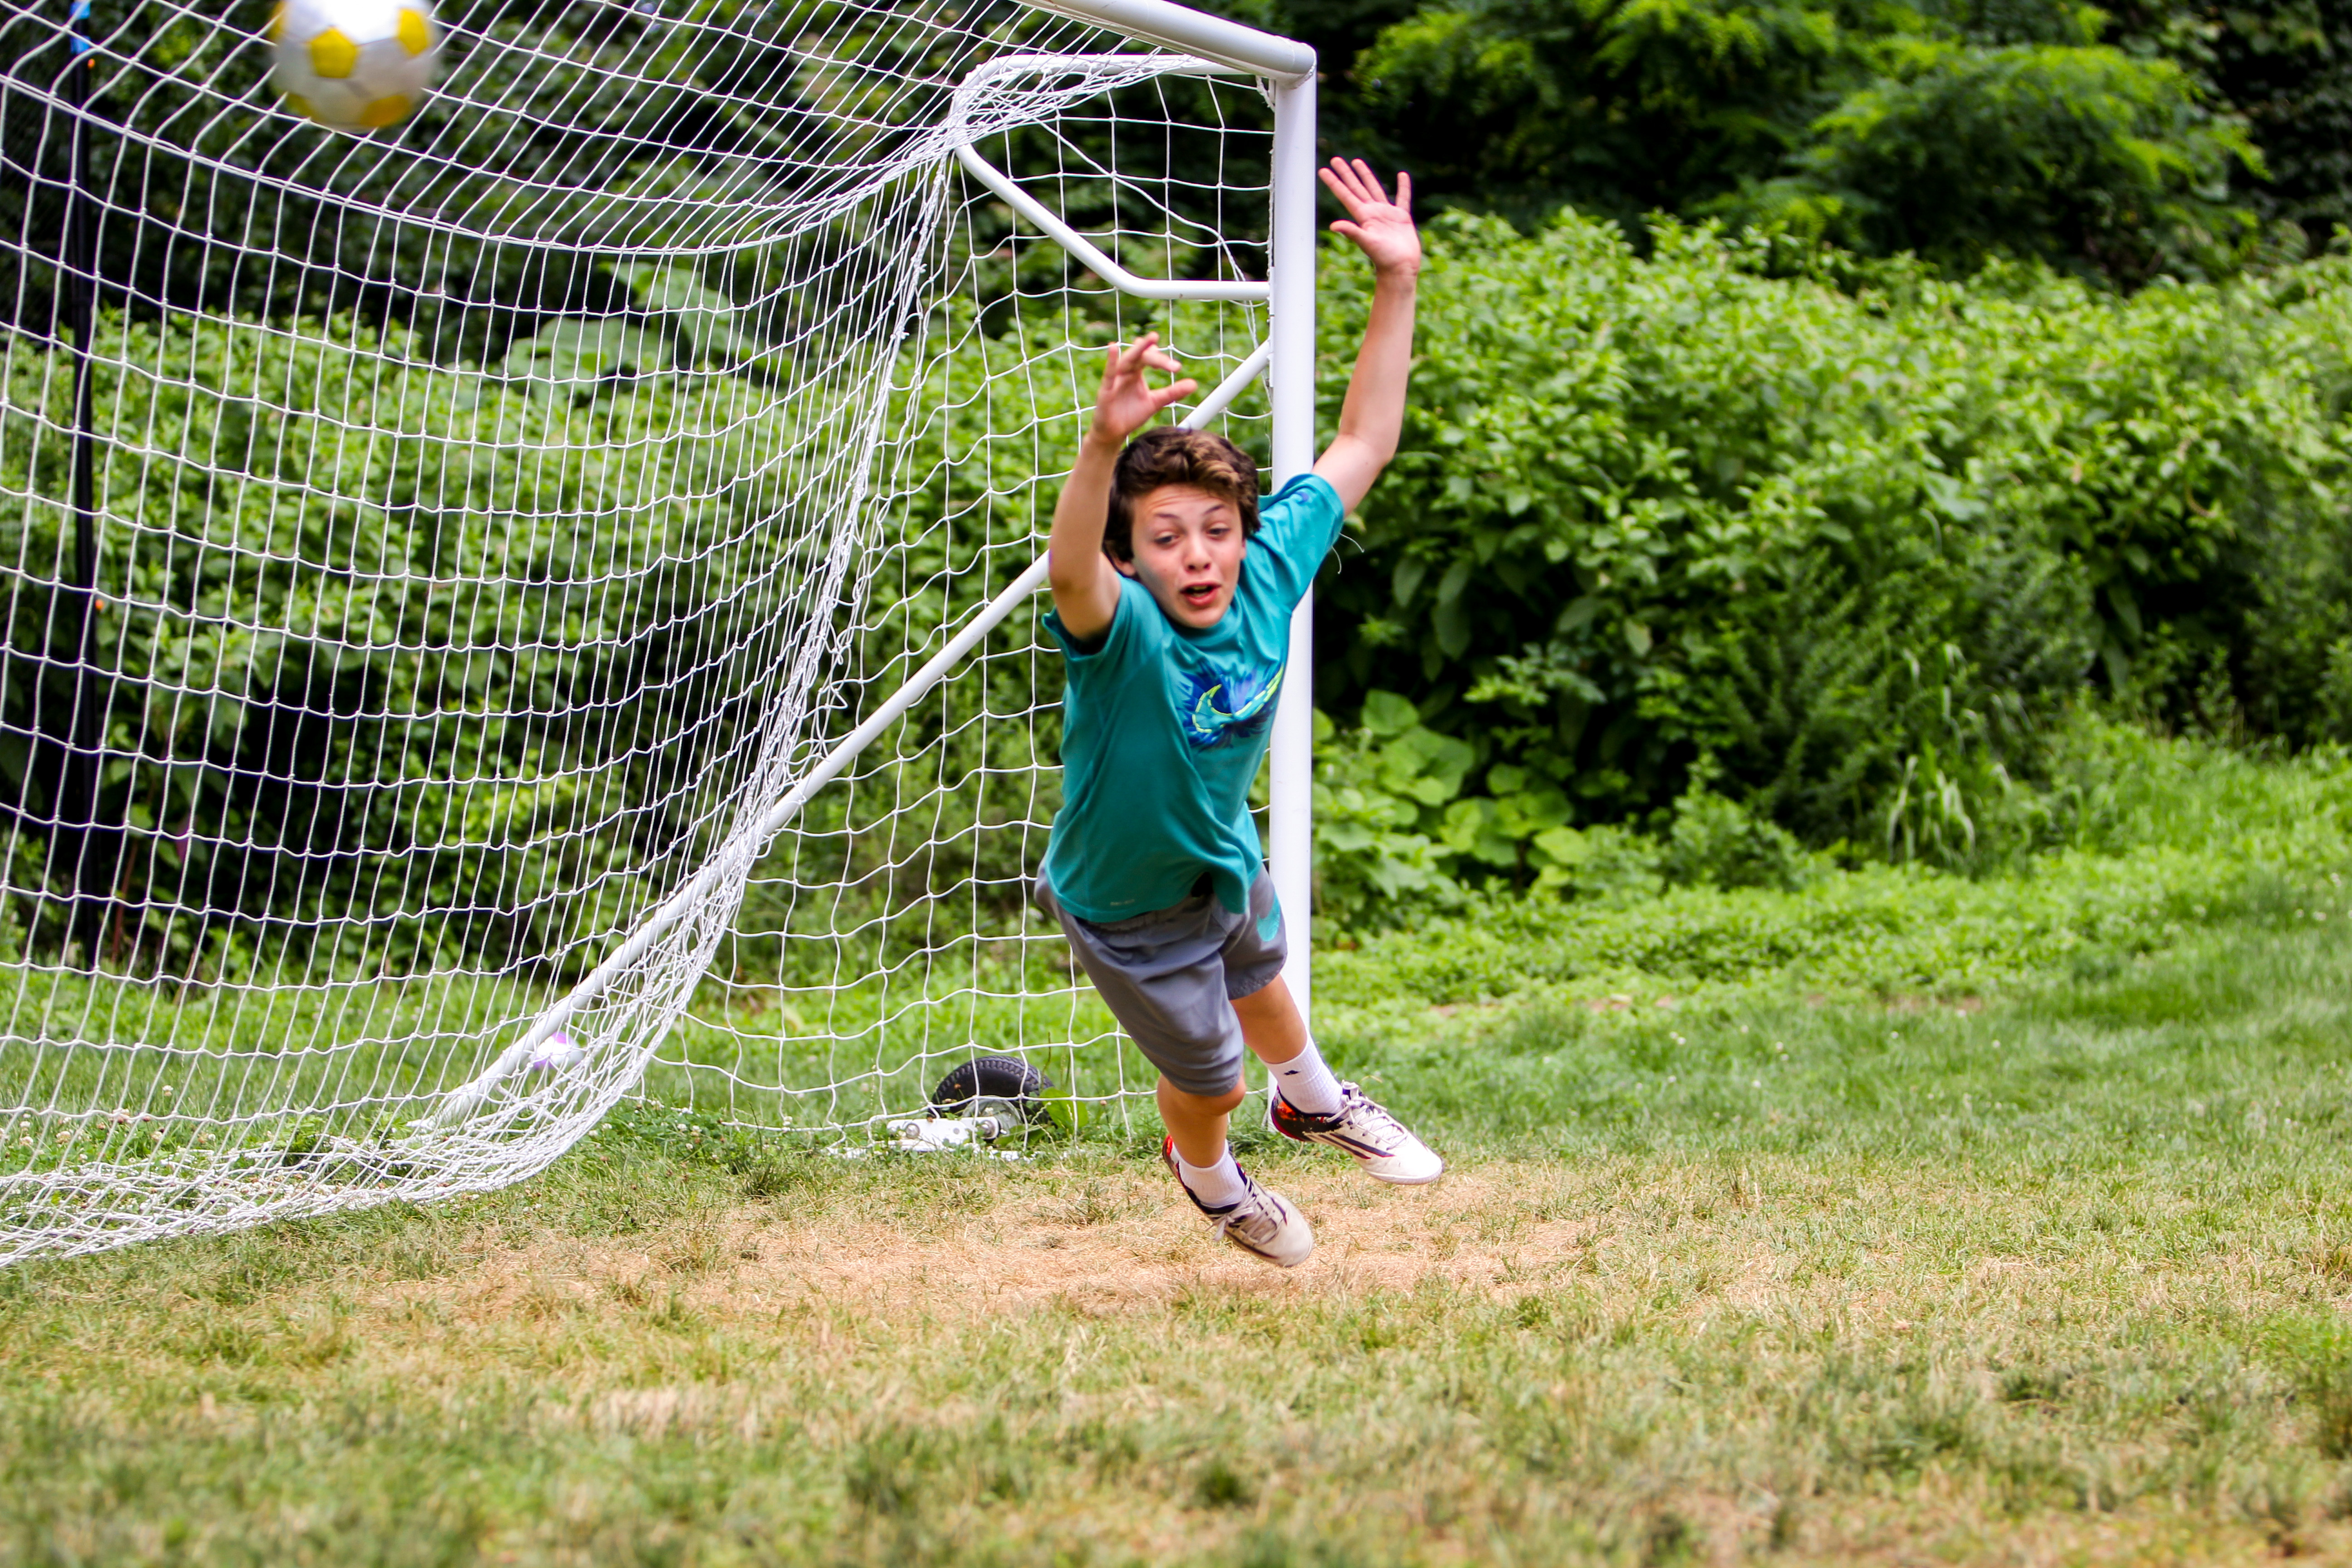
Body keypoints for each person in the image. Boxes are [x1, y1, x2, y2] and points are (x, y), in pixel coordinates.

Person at [1037, 159, 1440, 1269]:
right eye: (1165, 538)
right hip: (1122, 902)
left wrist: (1397, 278)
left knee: (1263, 979)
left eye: (1214, 528)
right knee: (1209, 1075)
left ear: (1245, 530)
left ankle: (1312, 1101)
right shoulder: (1116, 623)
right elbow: (1069, 566)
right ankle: (1208, 1176)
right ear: (1134, 555)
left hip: (1219, 853)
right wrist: (1100, 446)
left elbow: (1364, 443)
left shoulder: (1267, 570)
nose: (1197, 553)